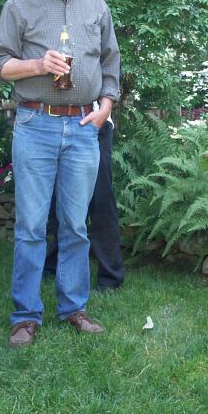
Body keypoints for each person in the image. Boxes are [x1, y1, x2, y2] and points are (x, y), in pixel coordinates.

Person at [0, 0, 121, 347]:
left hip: (83, 127)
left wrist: (106, 105)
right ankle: (25, 316)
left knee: (76, 225)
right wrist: (37, 64)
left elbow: (111, 63)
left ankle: (73, 308)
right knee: (30, 225)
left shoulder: (97, 6)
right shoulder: (20, 4)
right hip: (35, 124)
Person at [44, 113, 124, 291]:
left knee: (100, 199)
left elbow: (111, 94)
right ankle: (55, 262)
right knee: (58, 199)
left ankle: (110, 276)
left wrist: (100, 117)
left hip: (93, 124)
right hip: (56, 124)